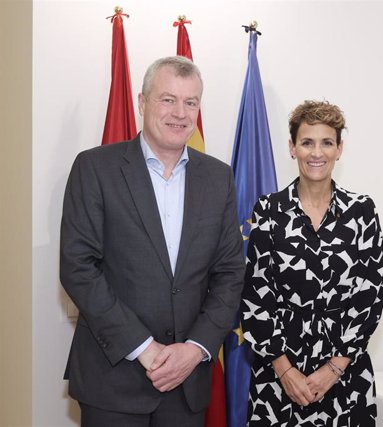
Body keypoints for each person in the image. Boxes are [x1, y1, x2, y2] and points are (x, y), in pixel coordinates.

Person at [59, 56, 245, 426]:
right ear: (142, 103)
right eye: (167, 99)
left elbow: (230, 274)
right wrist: (144, 349)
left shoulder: (218, 177)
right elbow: (79, 268)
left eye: (190, 102)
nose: (180, 113)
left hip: (186, 381)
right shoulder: (95, 168)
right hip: (112, 381)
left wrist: (194, 350)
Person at [241, 100, 383, 426]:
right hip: (278, 380)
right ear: (292, 148)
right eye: (307, 142)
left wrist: (332, 369)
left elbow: (369, 298)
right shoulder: (268, 211)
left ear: (339, 149)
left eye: (326, 142)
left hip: (345, 378)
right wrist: (285, 370)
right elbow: (255, 297)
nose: (316, 153)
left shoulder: (362, 212)